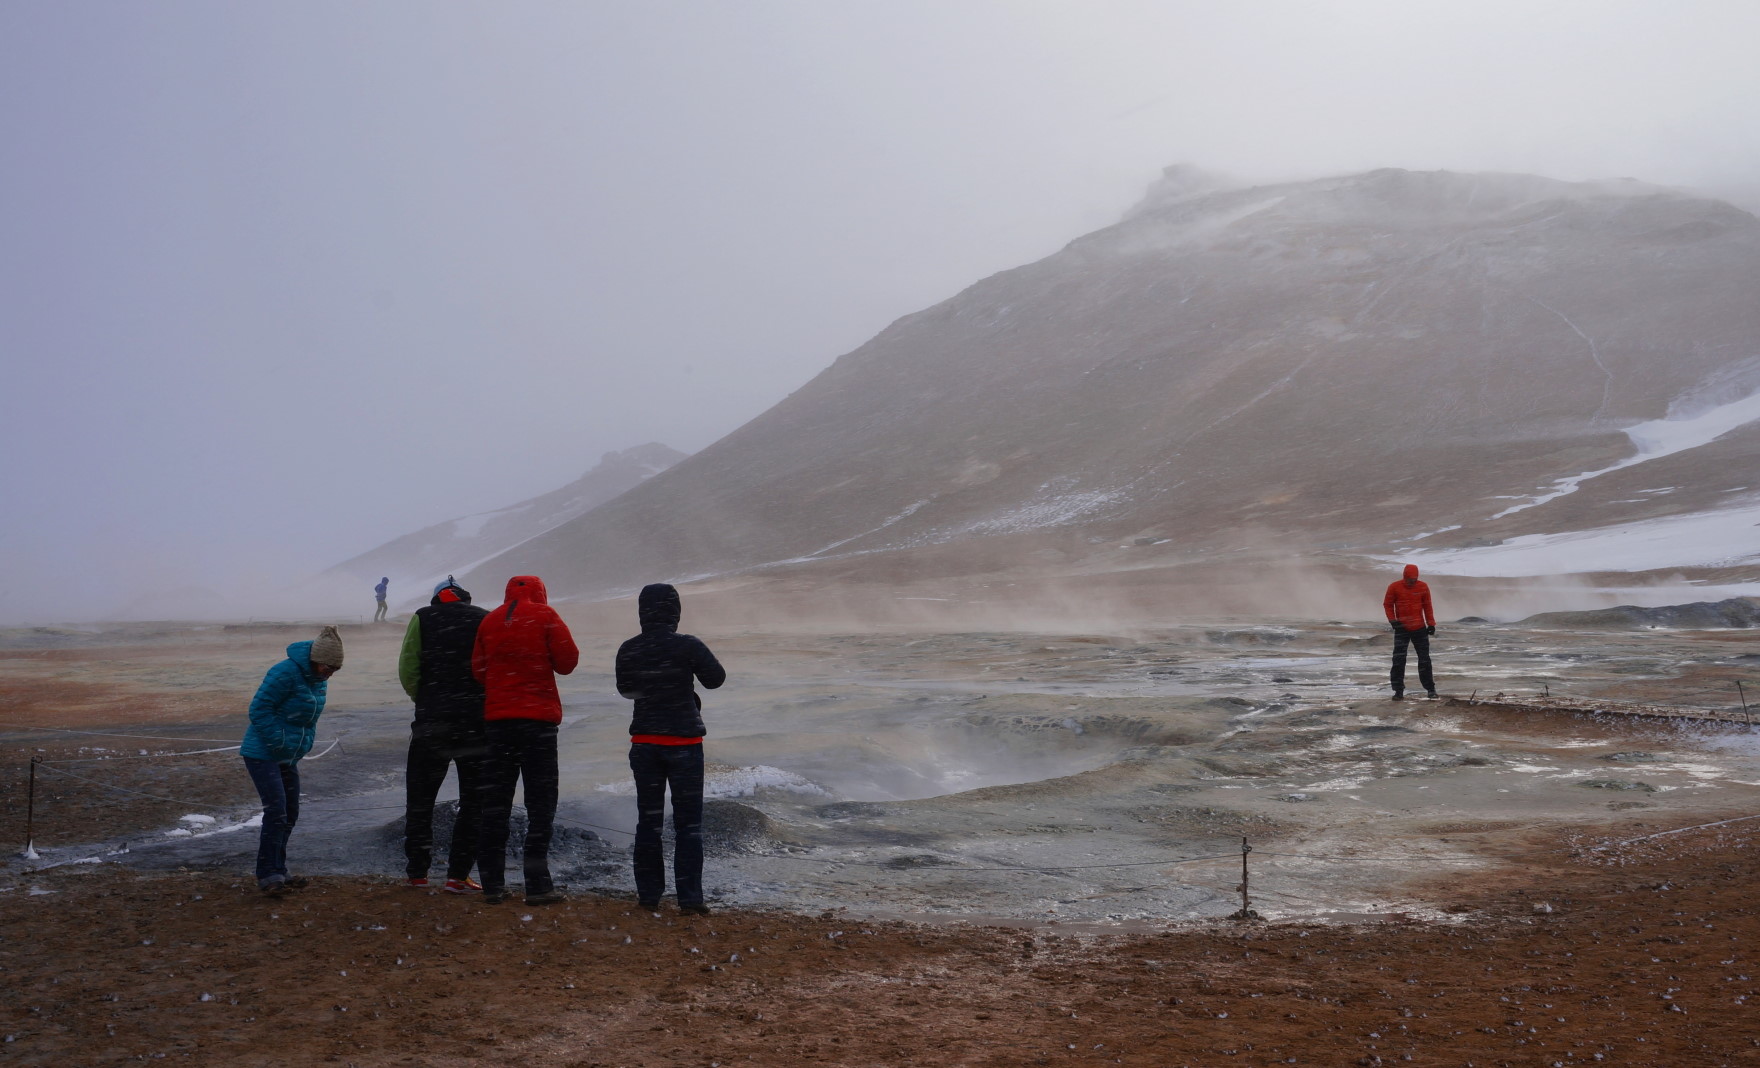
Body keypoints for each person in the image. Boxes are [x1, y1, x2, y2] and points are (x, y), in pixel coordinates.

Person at [615, 583, 726, 915]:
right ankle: (690, 900)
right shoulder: (687, 645)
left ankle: (649, 896)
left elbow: (626, 691)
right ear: (675, 611)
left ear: (642, 612)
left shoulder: (629, 648)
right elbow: (716, 679)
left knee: (648, 823)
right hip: (684, 744)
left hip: (644, 744)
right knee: (688, 826)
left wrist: (654, 687)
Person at [471, 575, 579, 905]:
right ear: (541, 593)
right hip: (538, 724)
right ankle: (537, 884)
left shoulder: (489, 621)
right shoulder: (545, 615)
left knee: (495, 805)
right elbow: (567, 663)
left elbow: (478, 671)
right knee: (540, 804)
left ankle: (492, 884)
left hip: (498, 724)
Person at [397, 576, 490, 893]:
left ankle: (417, 874)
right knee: (474, 803)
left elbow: (408, 667)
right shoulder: (484, 618)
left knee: (420, 801)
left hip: (431, 724)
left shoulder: (422, 617)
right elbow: (490, 667)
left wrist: (424, 699)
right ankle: (457, 876)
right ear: (465, 597)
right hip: (475, 724)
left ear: (436, 598)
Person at [240, 625, 344, 894]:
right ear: (315, 659)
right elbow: (259, 709)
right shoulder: (284, 672)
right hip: (263, 753)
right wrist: (279, 741)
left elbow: (307, 719)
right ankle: (268, 874)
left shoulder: (318, 680)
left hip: (288, 755)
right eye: (327, 667)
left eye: (335, 669)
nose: (330, 674)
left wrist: (299, 745)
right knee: (276, 812)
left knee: (290, 812)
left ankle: (280, 869)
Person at [1383, 563, 1437, 700]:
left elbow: (1427, 606)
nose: (1412, 582)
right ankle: (1398, 691)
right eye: (1409, 579)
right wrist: (1393, 621)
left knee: (1424, 660)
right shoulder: (1394, 587)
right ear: (1404, 576)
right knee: (1398, 660)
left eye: (1414, 579)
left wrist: (1431, 623)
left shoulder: (1423, 586)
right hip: (1401, 628)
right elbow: (1387, 605)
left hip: (1419, 628)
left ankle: (1431, 689)